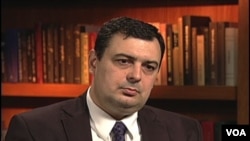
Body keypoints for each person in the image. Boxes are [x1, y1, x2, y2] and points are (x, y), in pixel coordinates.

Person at [5, 17, 203, 141]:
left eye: (149, 67)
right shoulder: (34, 130)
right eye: (124, 61)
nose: (136, 76)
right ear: (93, 62)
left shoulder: (184, 131)